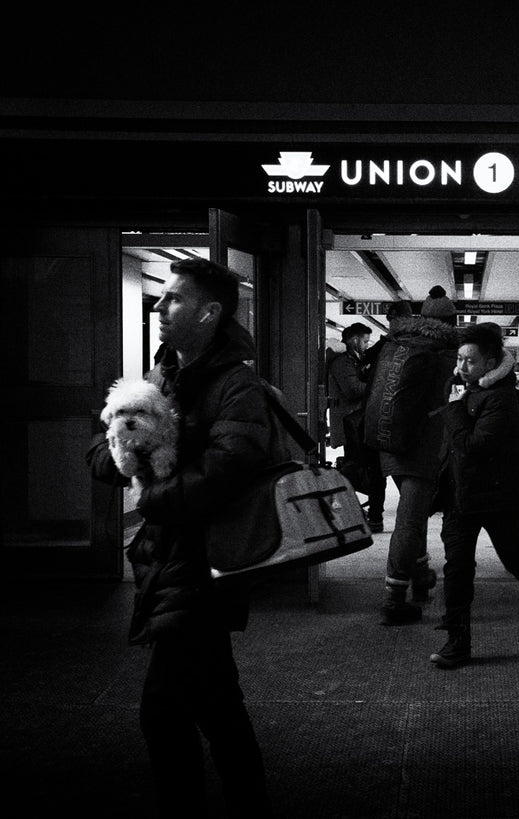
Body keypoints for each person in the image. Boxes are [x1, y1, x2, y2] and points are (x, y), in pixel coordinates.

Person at [86, 258, 279, 818]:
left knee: (164, 710)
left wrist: (149, 495)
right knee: (217, 702)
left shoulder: (235, 384)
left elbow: (231, 466)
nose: (160, 307)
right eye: (161, 298)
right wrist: (118, 461)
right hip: (169, 559)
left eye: (172, 299)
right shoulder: (162, 376)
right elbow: (109, 443)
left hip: (205, 561)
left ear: (210, 312)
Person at [429, 322, 519, 669]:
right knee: (457, 567)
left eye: (470, 361)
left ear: (490, 363)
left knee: (513, 557)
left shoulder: (501, 399)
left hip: (496, 498)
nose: (461, 366)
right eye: (459, 359)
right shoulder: (460, 389)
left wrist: (453, 411)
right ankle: (457, 639)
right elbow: (452, 449)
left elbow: (470, 446)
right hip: (460, 497)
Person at [364, 290, 460, 626]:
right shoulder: (444, 353)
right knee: (409, 521)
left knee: (412, 512)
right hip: (422, 447)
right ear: (451, 322)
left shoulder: (395, 344)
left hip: (389, 442)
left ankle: (420, 576)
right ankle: (394, 598)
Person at [328, 322, 385, 533]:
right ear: (354, 340)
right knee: (360, 469)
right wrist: (376, 383)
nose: (366, 345)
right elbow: (352, 390)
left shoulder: (354, 359)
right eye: (364, 341)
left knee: (365, 469)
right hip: (351, 425)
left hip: (358, 424)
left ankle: (365, 512)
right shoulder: (342, 363)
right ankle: (346, 507)